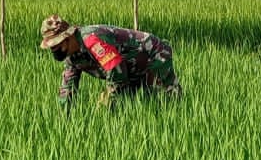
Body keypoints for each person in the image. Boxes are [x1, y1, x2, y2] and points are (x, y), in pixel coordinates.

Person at [39, 15, 181, 108]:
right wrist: (63, 116)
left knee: (165, 102)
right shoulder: (71, 56)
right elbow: (67, 88)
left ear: (68, 37)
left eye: (57, 45)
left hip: (153, 55)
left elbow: (116, 70)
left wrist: (109, 101)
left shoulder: (92, 40)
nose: (54, 50)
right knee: (130, 107)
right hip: (129, 67)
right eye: (52, 47)